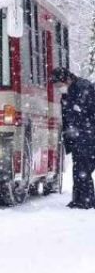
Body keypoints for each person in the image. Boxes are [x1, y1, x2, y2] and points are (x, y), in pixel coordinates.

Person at [52, 68, 95, 209]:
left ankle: (86, 200)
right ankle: (79, 199)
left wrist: (79, 132)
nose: (59, 88)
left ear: (67, 79)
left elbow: (84, 114)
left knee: (83, 169)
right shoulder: (70, 91)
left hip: (87, 137)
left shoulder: (84, 88)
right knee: (79, 169)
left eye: (59, 85)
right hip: (79, 137)